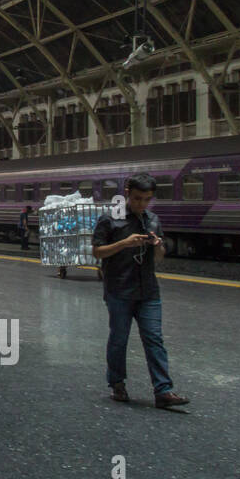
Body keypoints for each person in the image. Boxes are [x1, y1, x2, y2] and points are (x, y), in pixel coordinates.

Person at [92, 173, 190, 410]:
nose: (142, 204)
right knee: (119, 339)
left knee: (154, 339)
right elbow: (97, 252)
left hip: (148, 291)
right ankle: (117, 383)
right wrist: (124, 243)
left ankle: (163, 391)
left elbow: (159, 258)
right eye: (137, 198)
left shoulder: (153, 220)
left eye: (147, 199)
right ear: (127, 193)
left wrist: (157, 246)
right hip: (119, 290)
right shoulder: (109, 220)